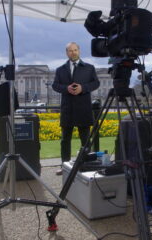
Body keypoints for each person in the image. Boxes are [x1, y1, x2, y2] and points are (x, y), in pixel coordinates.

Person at [52, 42, 100, 175]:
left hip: (83, 108)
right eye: (70, 51)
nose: (73, 53)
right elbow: (55, 85)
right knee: (65, 140)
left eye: (75, 50)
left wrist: (82, 88)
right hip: (67, 109)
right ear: (66, 52)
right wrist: (66, 88)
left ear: (79, 51)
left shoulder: (89, 68)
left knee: (85, 139)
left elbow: (96, 83)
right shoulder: (60, 69)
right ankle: (64, 165)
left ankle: (87, 163)